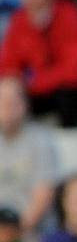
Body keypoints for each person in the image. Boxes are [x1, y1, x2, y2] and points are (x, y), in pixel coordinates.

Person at [0, 76, 59, 233]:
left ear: (24, 105)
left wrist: (13, 233)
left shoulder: (40, 140)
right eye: (3, 102)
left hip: (30, 231)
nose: (7, 108)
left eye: (12, 102)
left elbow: (44, 193)